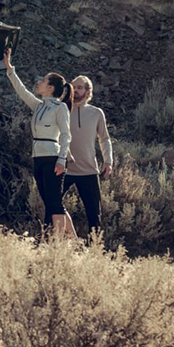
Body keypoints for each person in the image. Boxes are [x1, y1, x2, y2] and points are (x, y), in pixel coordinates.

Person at [3, 48, 76, 239]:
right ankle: (74, 240)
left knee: (54, 203)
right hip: (38, 157)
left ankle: (57, 243)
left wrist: (62, 160)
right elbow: (22, 91)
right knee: (50, 202)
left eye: (43, 81)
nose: (39, 82)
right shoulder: (38, 106)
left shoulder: (60, 108)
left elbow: (66, 135)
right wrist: (10, 69)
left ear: (50, 88)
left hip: (53, 157)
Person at [64, 75, 113, 233]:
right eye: (73, 87)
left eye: (79, 87)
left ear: (88, 91)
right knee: (52, 208)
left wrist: (108, 161)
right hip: (63, 169)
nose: (75, 90)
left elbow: (104, 139)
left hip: (88, 171)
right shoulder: (61, 110)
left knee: (94, 217)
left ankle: (95, 246)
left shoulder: (96, 113)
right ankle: (54, 242)